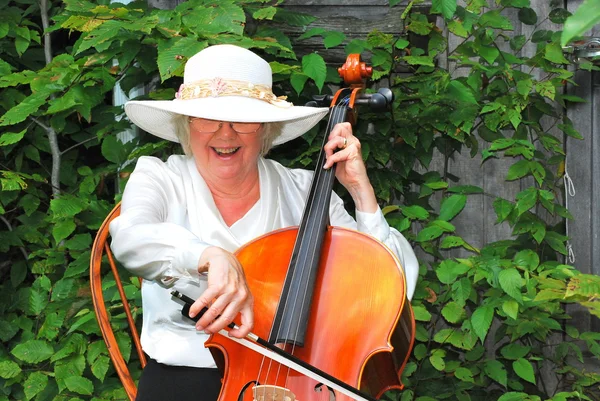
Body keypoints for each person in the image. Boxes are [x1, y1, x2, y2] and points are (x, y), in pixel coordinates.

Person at [109, 44, 419, 401]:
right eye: (208, 118)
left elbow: (390, 286)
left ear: (266, 130)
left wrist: (361, 193)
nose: (225, 135)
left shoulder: (304, 191)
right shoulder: (160, 177)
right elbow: (131, 237)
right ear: (186, 125)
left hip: (299, 385)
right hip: (184, 380)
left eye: (243, 120)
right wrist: (208, 254)